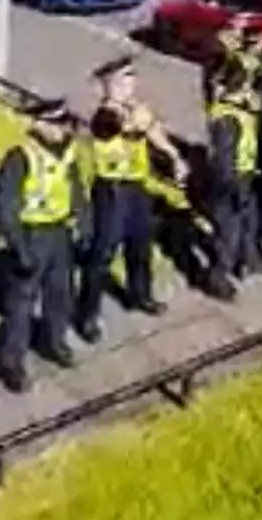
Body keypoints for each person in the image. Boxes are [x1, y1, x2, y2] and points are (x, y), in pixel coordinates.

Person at [77, 59, 188, 343]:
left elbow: (153, 132)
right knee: (103, 253)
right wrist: (138, 121)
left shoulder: (138, 108)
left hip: (137, 187)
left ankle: (141, 295)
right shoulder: (104, 114)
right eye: (125, 81)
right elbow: (115, 129)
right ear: (110, 85)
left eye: (132, 80)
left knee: (141, 245)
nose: (131, 86)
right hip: (112, 191)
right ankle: (87, 315)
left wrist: (174, 157)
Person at [0, 100, 88, 393]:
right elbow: (6, 208)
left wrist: (84, 224)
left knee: (60, 293)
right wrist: (19, 247)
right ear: (36, 124)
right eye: (54, 123)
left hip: (59, 233)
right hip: (31, 233)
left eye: (63, 123)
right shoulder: (20, 157)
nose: (61, 129)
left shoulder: (67, 151)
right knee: (20, 303)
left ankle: (54, 341)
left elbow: (76, 190)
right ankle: (11, 361)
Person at [206, 72, 262, 301]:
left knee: (249, 221)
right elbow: (225, 159)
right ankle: (218, 277)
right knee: (228, 231)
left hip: (244, 174)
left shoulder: (241, 112)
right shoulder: (228, 119)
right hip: (231, 181)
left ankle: (247, 260)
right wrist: (235, 187)